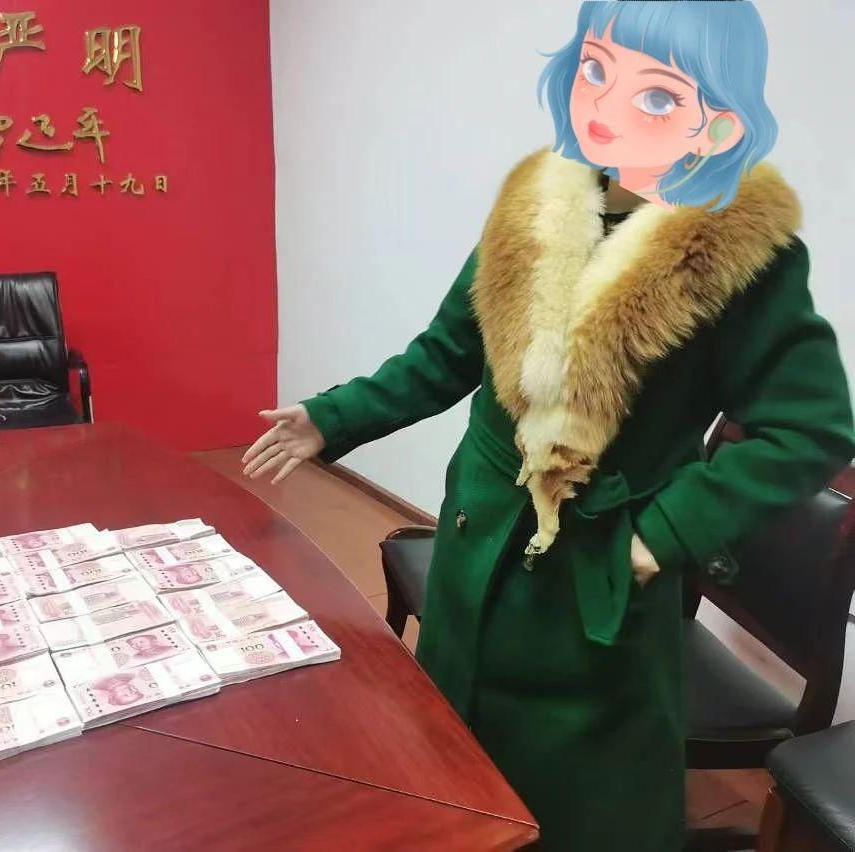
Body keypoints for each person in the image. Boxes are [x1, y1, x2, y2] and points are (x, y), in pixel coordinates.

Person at [242, 3, 855, 850]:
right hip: (476, 554)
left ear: (717, 122)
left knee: (579, 813)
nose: (603, 101)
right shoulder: (536, 205)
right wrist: (330, 417)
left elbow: (812, 429)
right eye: (595, 69)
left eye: (655, 93)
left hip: (597, 589)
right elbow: (446, 354)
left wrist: (665, 534)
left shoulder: (739, 255)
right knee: (453, 777)